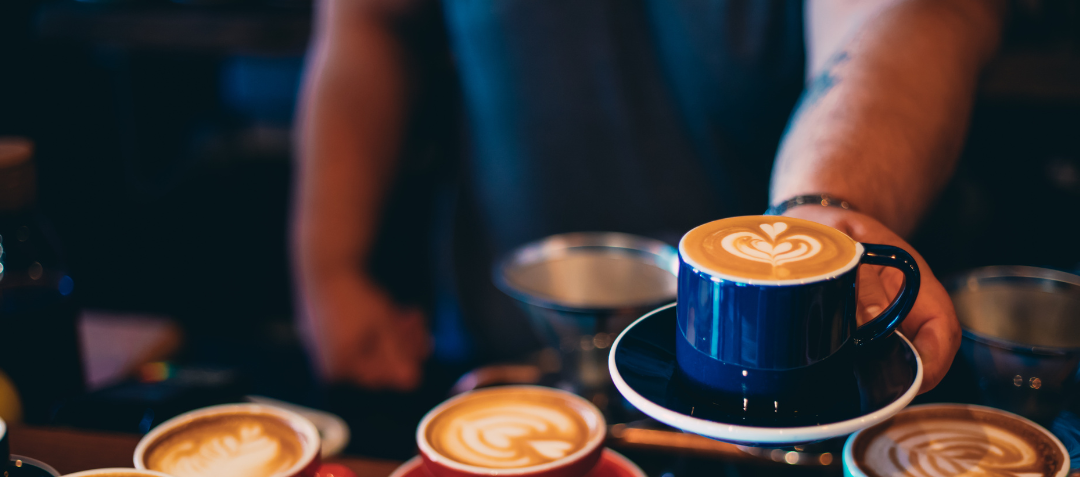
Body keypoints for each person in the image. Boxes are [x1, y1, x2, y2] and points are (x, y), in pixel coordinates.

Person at [291, 0, 1004, 394]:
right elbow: (371, 20)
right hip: (513, 362)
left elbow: (922, 13)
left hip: (799, 381)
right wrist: (331, 267)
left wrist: (822, 206)